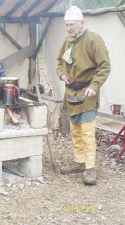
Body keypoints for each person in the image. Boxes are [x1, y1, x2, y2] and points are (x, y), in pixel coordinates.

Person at [57, 6, 111, 185]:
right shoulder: (67, 42)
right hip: (71, 92)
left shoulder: (93, 40)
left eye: (72, 25)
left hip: (88, 93)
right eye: (66, 25)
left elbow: (104, 66)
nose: (69, 28)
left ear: (82, 23)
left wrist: (95, 85)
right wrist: (62, 74)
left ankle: (90, 168)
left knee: (87, 132)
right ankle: (79, 162)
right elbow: (60, 62)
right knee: (75, 131)